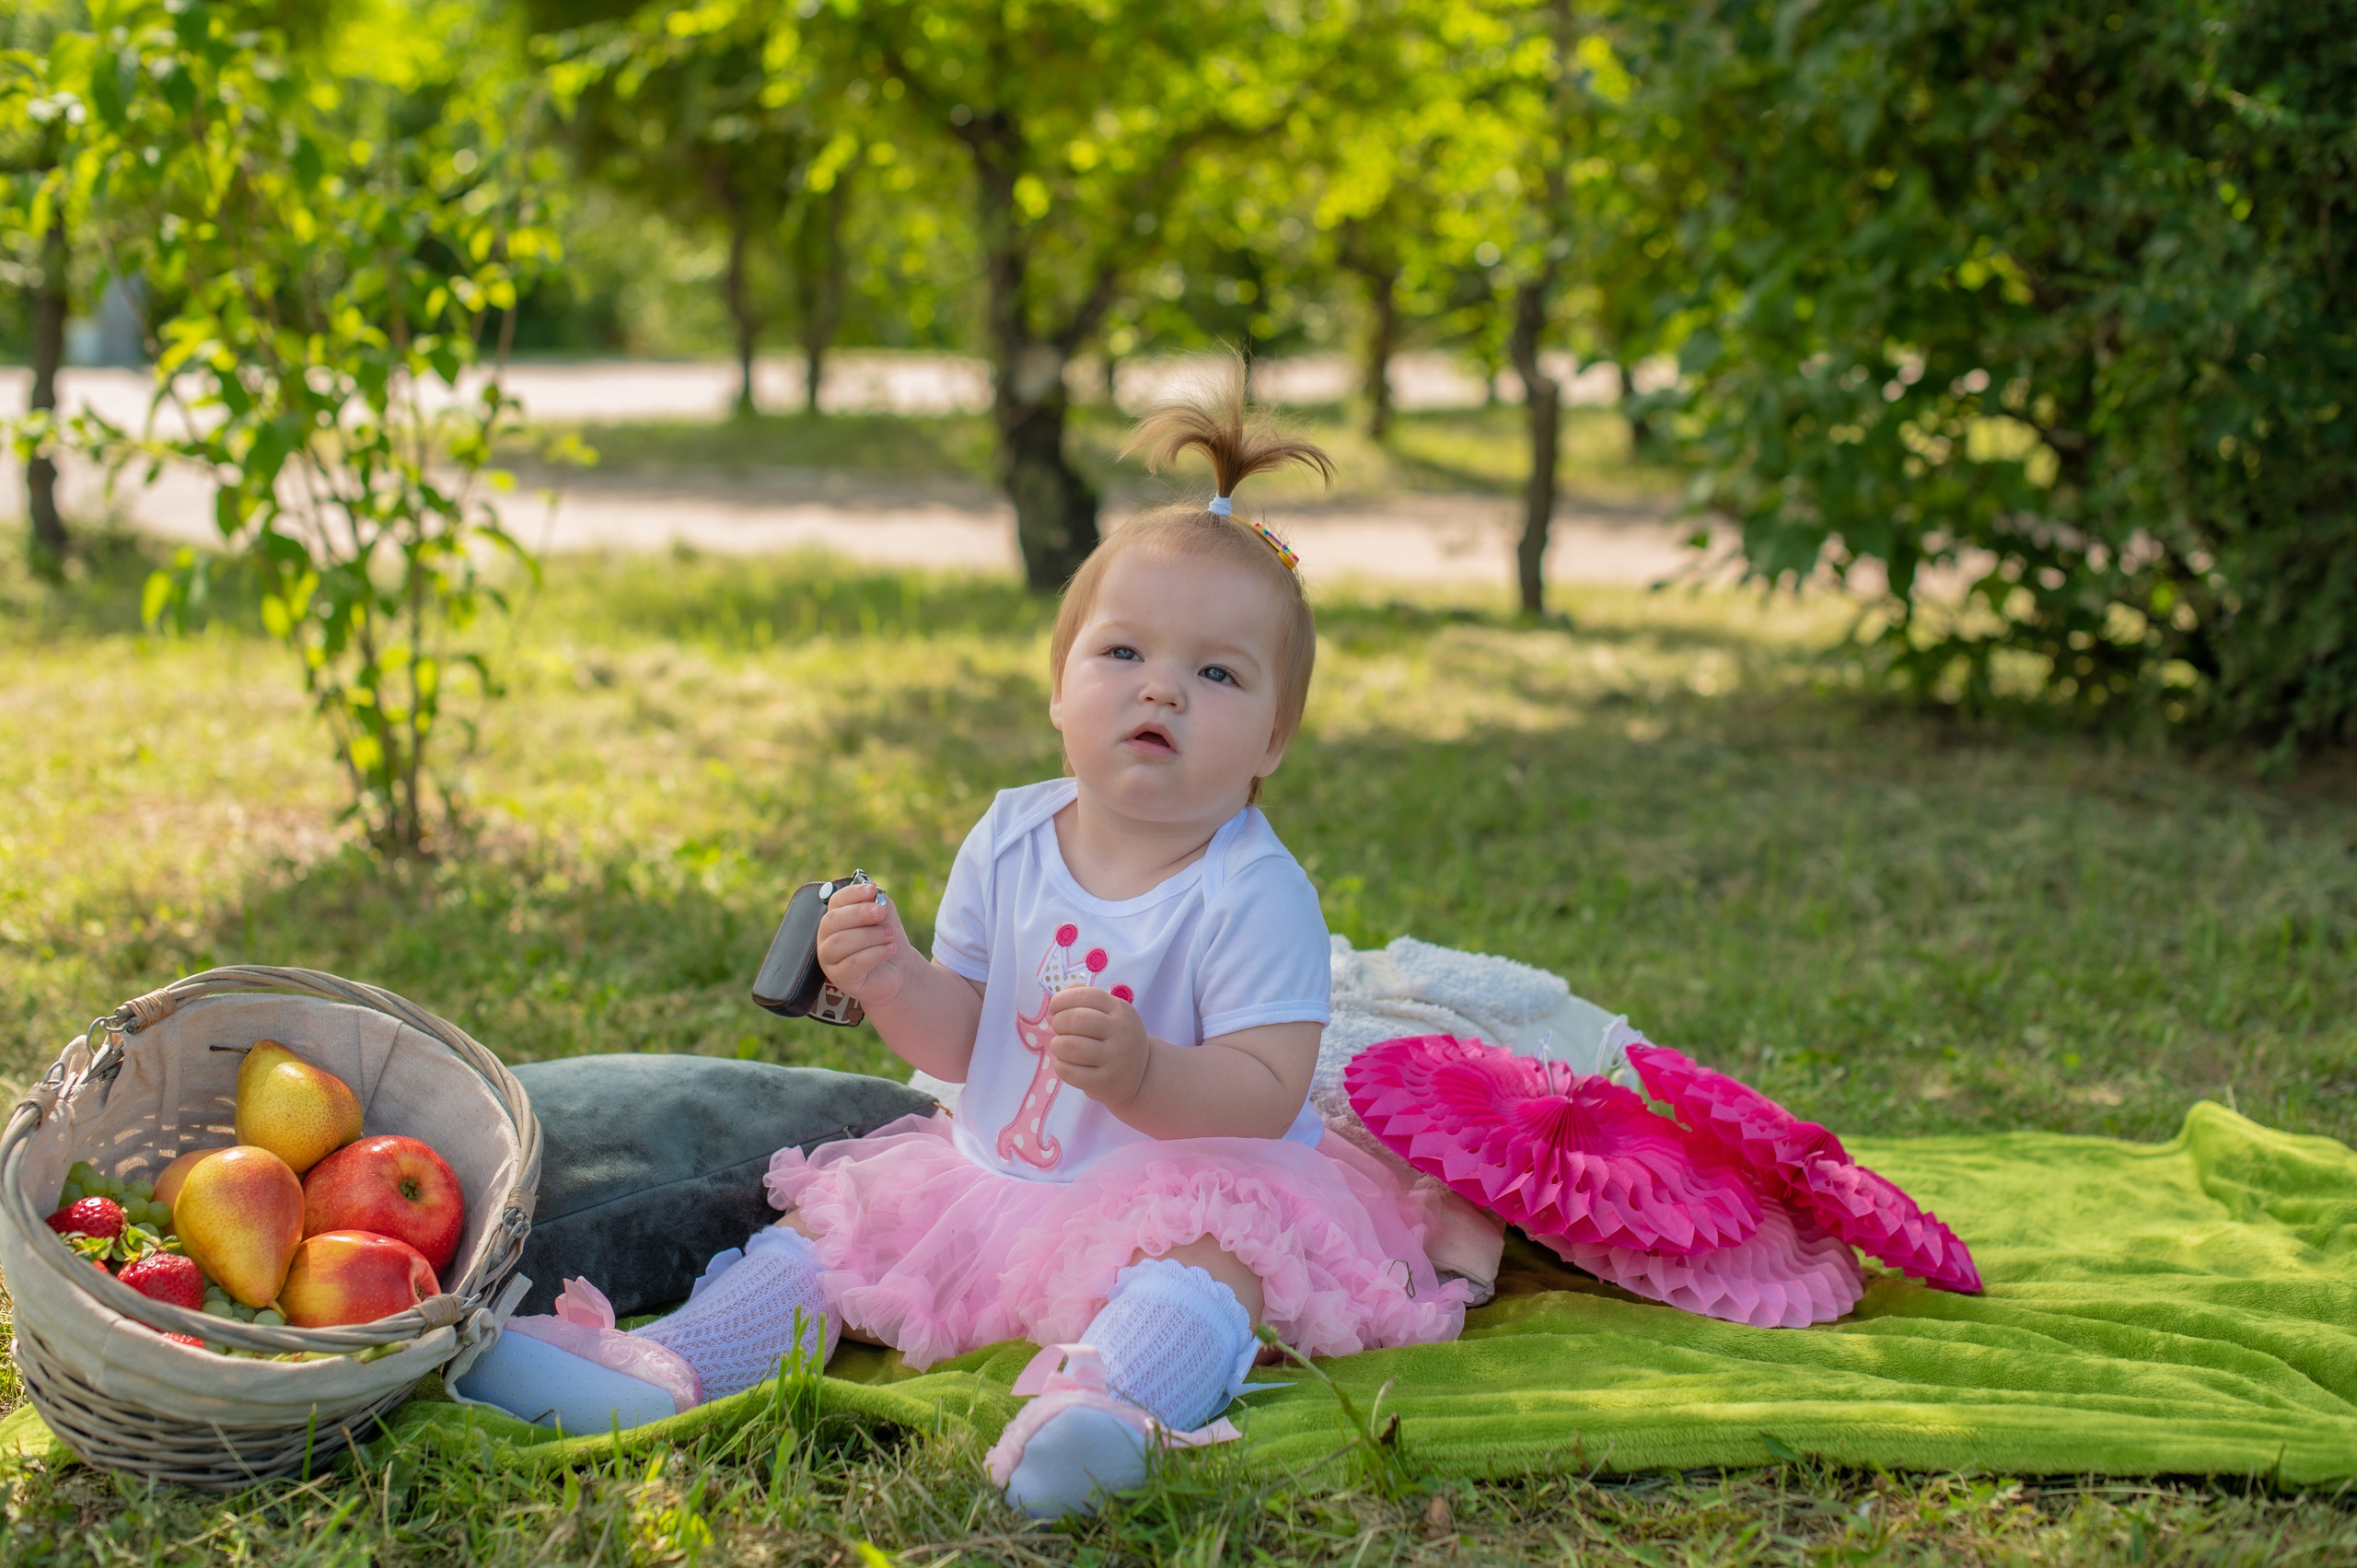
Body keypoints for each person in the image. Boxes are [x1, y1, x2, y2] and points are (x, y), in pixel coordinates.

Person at [460, 368, 1472, 1516]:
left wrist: (1146, 1074)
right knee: (827, 1240)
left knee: (1212, 1265)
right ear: (1058, 687)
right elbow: (967, 1036)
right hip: (991, 1171)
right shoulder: (1011, 833)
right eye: (1124, 654)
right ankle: (667, 1366)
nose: (1165, 692)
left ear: (1273, 739)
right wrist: (894, 978)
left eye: (1217, 673)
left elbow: (1262, 1087)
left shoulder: (1255, 890)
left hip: (1186, 1174)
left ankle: (1109, 1410)